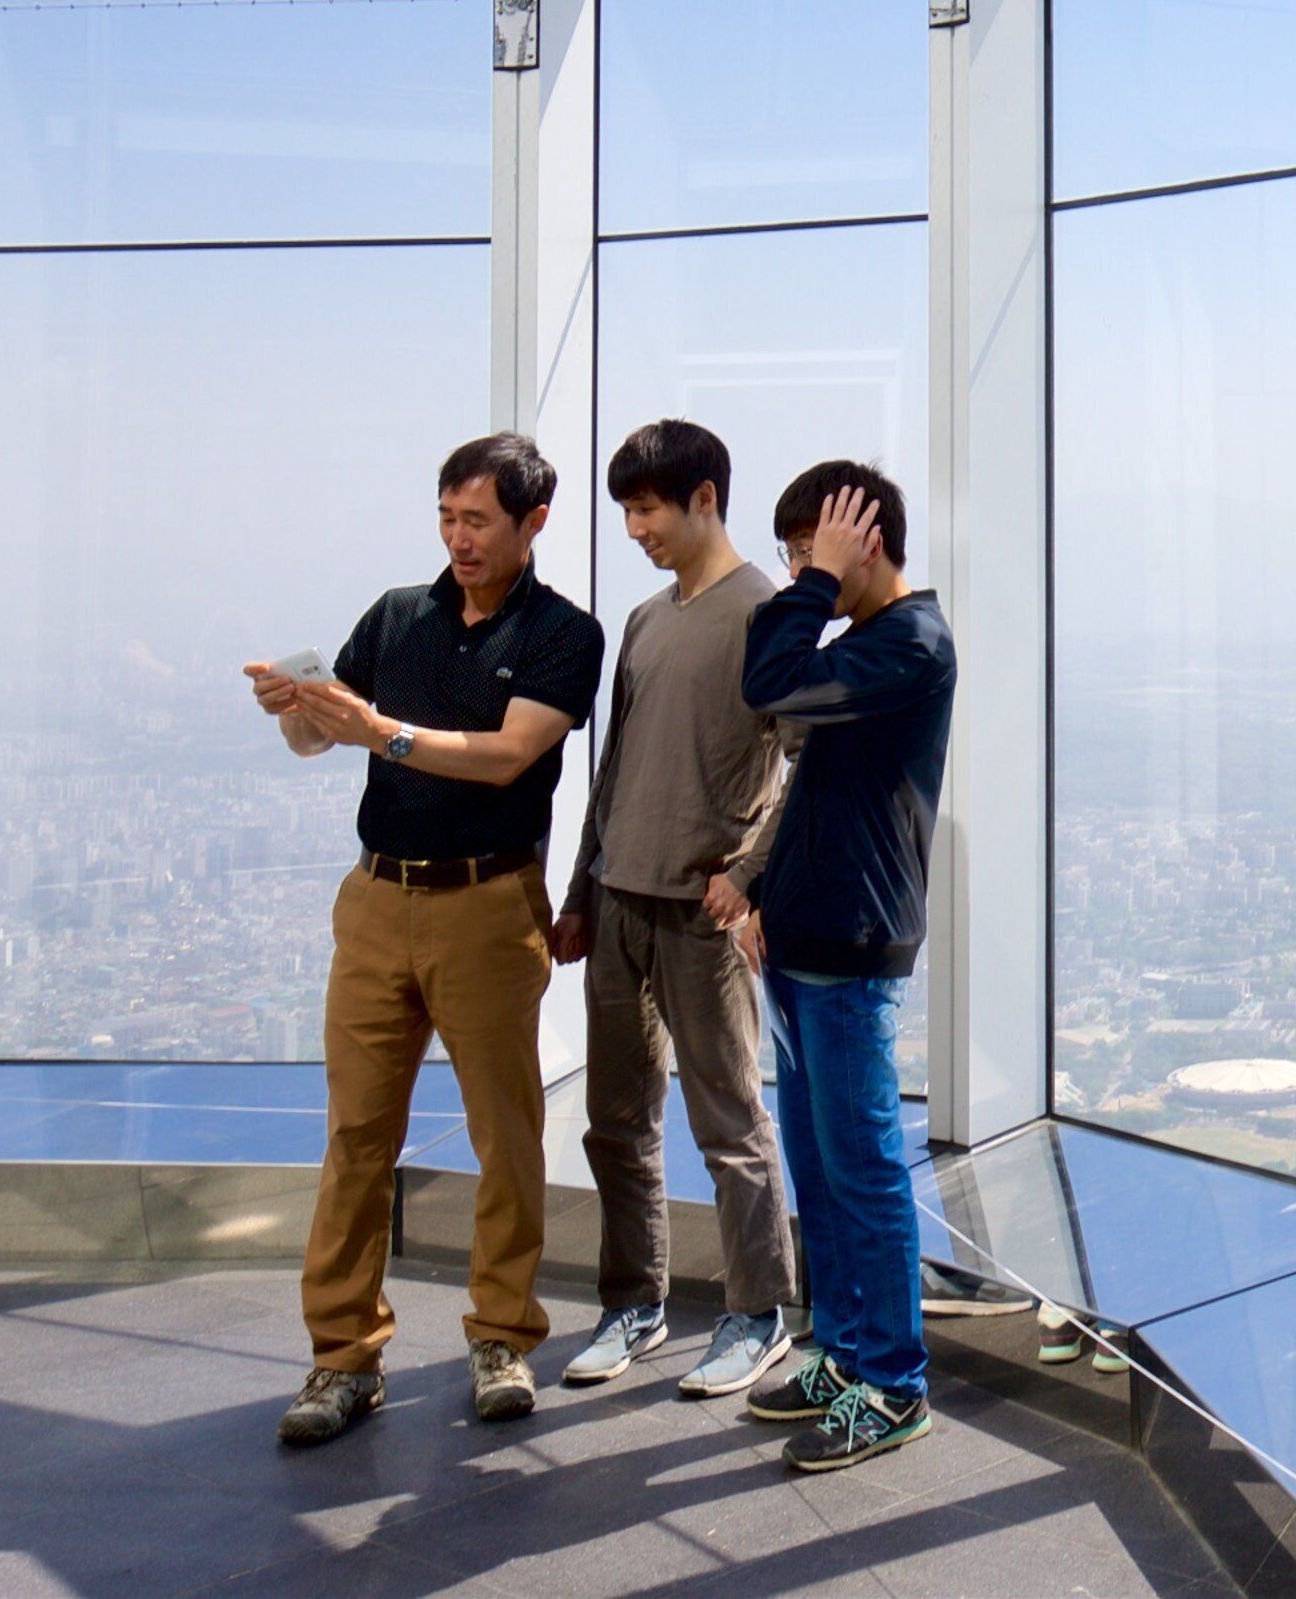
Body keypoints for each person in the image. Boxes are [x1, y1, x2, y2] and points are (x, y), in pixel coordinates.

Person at [244, 433, 604, 1447]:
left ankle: (501, 1338)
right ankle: (342, 1356)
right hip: (374, 901)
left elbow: (508, 757)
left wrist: (380, 731)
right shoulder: (396, 615)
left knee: (503, 1132)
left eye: (479, 521)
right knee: (357, 1134)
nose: (459, 540)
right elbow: (322, 740)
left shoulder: (563, 634)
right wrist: (298, 710)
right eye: (447, 518)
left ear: (533, 522)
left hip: (489, 908)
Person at [549, 420, 801, 1398]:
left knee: (731, 1125)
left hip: (700, 917)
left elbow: (801, 767)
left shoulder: (765, 614)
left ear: (704, 499)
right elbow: (612, 772)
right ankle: (633, 1306)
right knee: (616, 1122)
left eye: (646, 507)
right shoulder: (648, 621)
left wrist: (750, 877)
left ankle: (756, 1316)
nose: (633, 527)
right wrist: (580, 891)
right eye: (625, 509)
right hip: (617, 907)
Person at [730, 461, 956, 1475]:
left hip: (853, 951)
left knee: (862, 1171)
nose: (796, 569)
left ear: (863, 536)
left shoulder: (910, 643)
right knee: (819, 1168)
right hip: (800, 941)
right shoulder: (865, 645)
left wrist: (813, 584)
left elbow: (764, 680)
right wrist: (763, 895)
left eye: (808, 546)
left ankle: (894, 1385)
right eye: (789, 554)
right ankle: (846, 1356)